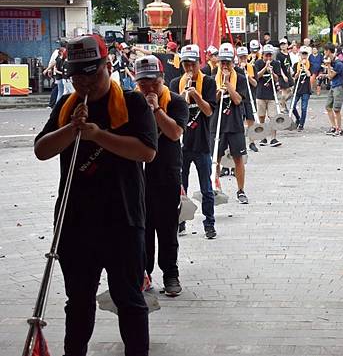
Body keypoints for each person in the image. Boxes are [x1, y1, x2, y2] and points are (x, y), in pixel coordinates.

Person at [34, 34, 157, 356]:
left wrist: (99, 136)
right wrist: (71, 130)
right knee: (78, 301)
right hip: (75, 222)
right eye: (77, 75)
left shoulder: (132, 104)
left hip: (123, 220)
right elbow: (41, 150)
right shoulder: (67, 106)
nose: (85, 82)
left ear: (107, 65)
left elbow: (146, 152)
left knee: (129, 299)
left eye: (92, 73)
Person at [134, 55, 188, 296]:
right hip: (137, 176)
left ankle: (171, 274)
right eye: (143, 83)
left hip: (166, 173)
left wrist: (155, 108)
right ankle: (142, 274)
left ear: (162, 79)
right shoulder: (131, 102)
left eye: (153, 82)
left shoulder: (175, 101)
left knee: (167, 228)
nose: (149, 88)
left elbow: (175, 133)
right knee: (141, 229)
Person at [170, 44, 218, 239]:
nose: (189, 68)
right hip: (181, 144)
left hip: (202, 143)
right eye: (186, 64)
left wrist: (195, 94)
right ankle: (180, 221)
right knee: (180, 186)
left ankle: (209, 223)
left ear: (199, 63)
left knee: (206, 187)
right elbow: (172, 111)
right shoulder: (175, 83)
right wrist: (183, 95)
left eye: (192, 64)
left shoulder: (208, 83)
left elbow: (208, 111)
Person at [211, 43, 249, 204]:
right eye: (222, 62)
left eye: (228, 62)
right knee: (216, 158)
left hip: (235, 123)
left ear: (233, 63)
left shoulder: (239, 77)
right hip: (216, 124)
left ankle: (241, 190)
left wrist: (228, 84)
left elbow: (238, 100)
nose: (225, 65)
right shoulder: (211, 77)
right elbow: (212, 100)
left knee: (238, 158)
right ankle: (215, 187)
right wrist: (220, 90)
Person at [254, 44, 283, 147]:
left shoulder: (276, 64)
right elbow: (256, 76)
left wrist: (272, 72)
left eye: (270, 55)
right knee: (261, 117)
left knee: (273, 117)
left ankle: (274, 138)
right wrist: (265, 68)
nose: (268, 58)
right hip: (260, 94)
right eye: (266, 55)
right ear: (262, 55)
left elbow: (277, 78)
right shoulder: (258, 63)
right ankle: (263, 137)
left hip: (272, 95)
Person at [236, 46, 259, 153]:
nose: (243, 59)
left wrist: (248, 76)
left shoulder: (252, 67)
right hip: (240, 98)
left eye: (244, 57)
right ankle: (241, 144)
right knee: (239, 121)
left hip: (250, 98)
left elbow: (255, 83)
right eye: (241, 57)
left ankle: (252, 142)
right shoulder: (235, 69)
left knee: (251, 120)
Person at [323, 43, 343, 136]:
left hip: (338, 87)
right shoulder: (333, 62)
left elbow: (330, 76)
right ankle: (333, 127)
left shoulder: (338, 63)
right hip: (333, 87)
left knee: (336, 109)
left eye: (325, 50)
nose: (324, 52)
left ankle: (339, 129)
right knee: (328, 106)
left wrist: (328, 66)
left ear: (328, 51)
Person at [291, 46, 312, 131]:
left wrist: (304, 67)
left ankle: (301, 124)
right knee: (292, 106)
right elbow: (294, 77)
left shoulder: (310, 64)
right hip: (298, 88)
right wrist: (299, 70)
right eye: (302, 54)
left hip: (306, 89)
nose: (304, 56)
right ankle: (298, 118)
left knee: (304, 107)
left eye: (305, 54)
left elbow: (309, 74)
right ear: (300, 55)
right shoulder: (296, 65)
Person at [276, 38, 293, 112]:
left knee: (292, 90)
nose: (283, 46)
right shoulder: (279, 54)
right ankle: (282, 107)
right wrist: (283, 75)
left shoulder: (288, 54)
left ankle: (282, 102)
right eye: (281, 45)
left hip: (288, 74)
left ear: (287, 45)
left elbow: (289, 64)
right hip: (282, 75)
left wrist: (290, 74)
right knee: (284, 92)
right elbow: (279, 66)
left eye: (284, 44)